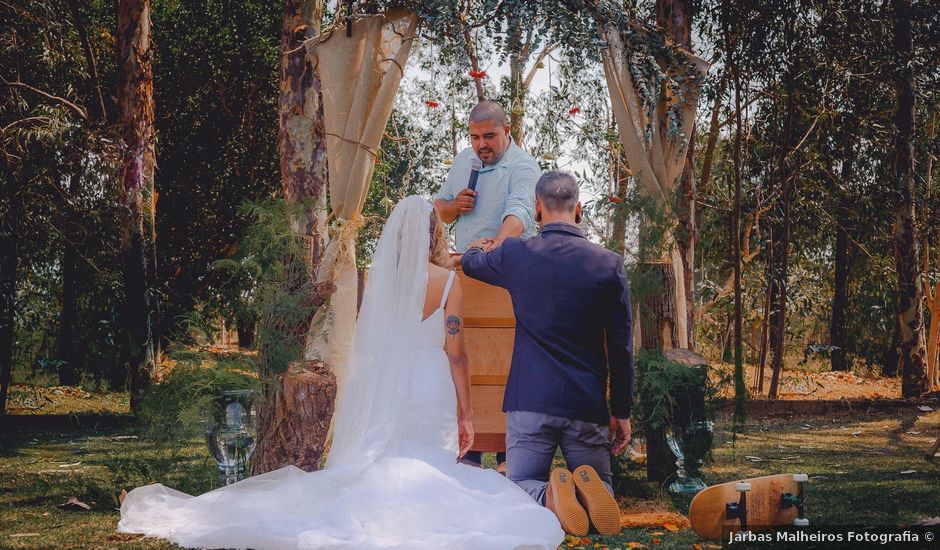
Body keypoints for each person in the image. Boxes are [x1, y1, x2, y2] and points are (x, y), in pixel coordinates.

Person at [118, 197, 564, 550]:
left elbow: (374, 348)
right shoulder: (448, 283)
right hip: (431, 388)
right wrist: (467, 414)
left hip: (392, 387)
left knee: (386, 464)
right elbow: (457, 354)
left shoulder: (379, 284)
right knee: (432, 464)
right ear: (434, 233)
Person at [461, 171, 635, 537]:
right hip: (585, 406)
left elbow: (470, 264)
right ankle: (585, 489)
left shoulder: (516, 254)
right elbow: (621, 347)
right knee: (603, 494)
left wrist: (479, 246)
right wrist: (621, 411)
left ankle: (546, 495)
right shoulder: (609, 264)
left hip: (530, 402)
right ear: (579, 210)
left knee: (518, 487)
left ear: (537, 209)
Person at [434, 101, 540, 252]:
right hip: (464, 265)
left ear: (506, 130)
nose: (482, 144)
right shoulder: (462, 159)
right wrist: (454, 206)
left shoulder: (524, 166)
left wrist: (494, 246)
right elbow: (439, 210)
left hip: (507, 266)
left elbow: (519, 213)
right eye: (475, 138)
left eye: (489, 136)